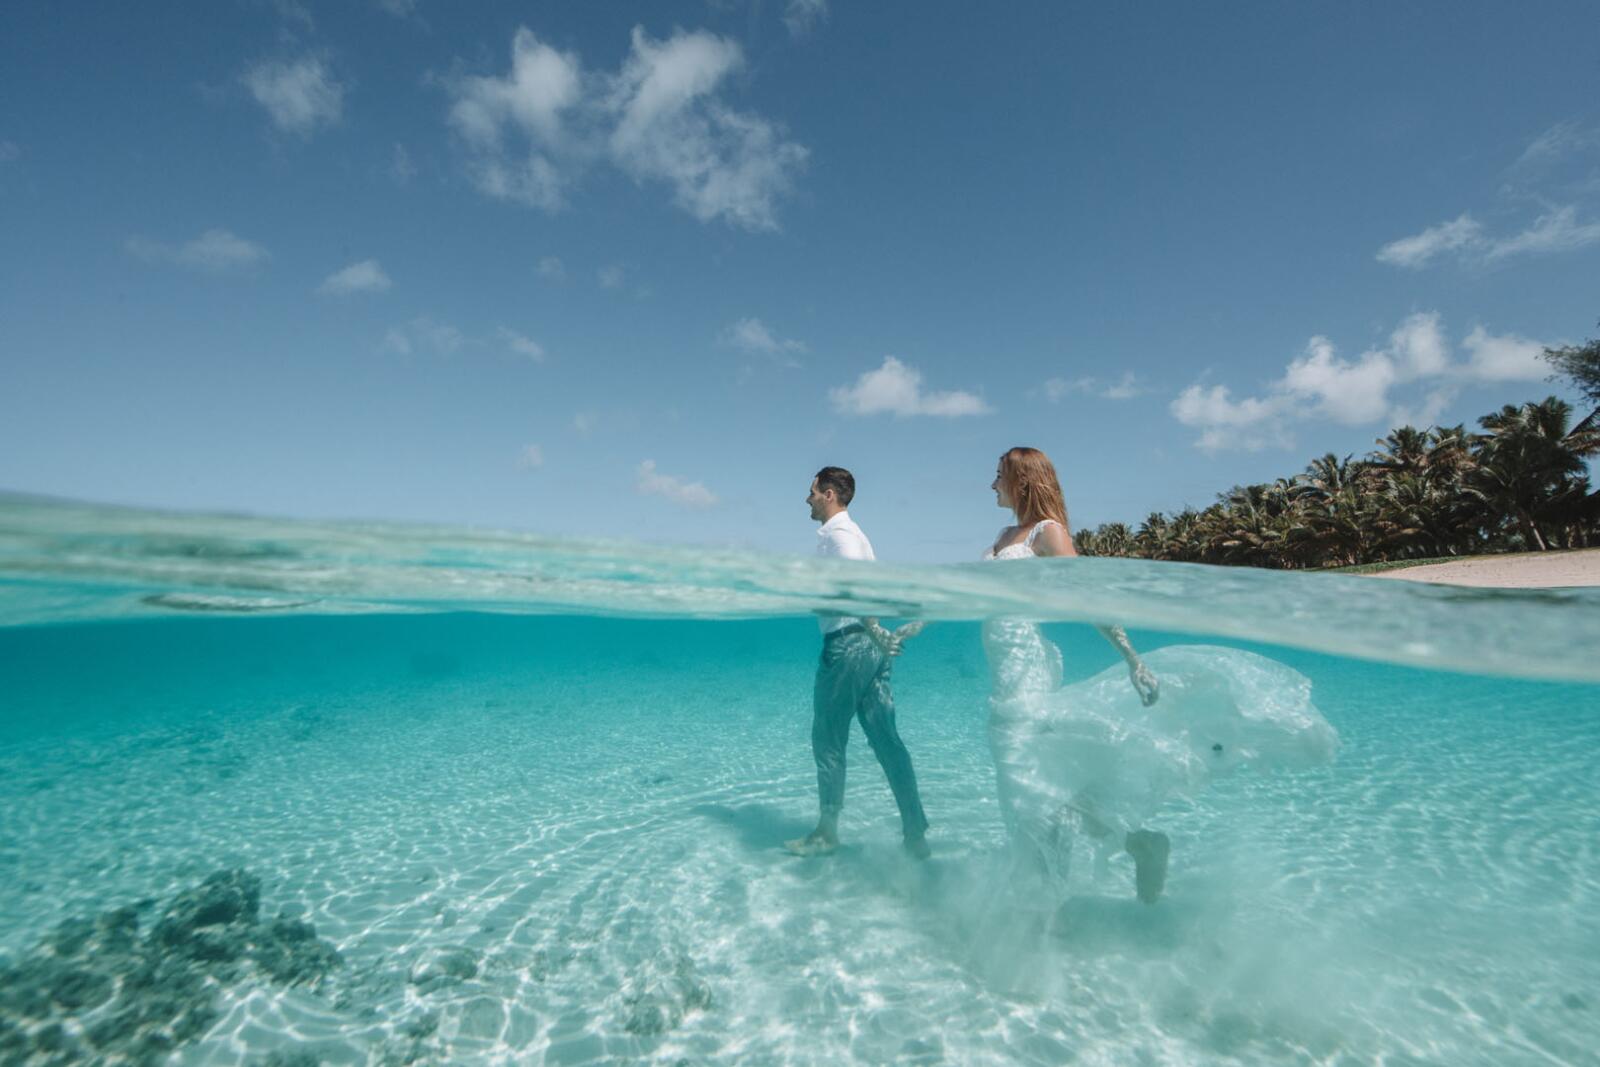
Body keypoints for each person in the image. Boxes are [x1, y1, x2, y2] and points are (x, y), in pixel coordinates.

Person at [981, 446, 1338, 906]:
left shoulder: (1049, 534)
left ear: (1022, 481)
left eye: (998, 476)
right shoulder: (1005, 532)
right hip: (1007, 675)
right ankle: (1140, 844)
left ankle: (1045, 909)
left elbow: (1089, 597)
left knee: (1027, 792)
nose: (992, 485)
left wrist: (1131, 656)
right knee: (1041, 787)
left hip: (1024, 678)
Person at [786, 466, 931, 860]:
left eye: (812, 491)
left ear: (829, 494)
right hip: (869, 646)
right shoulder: (856, 534)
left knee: (828, 740)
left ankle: (826, 832)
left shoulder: (840, 535)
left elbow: (856, 585)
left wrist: (868, 624)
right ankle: (915, 830)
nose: (807, 499)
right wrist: (878, 630)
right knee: (887, 742)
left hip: (848, 646)